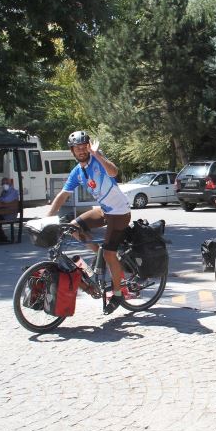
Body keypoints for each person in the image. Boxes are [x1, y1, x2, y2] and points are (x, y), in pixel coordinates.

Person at [47, 131, 131, 313]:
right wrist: (47, 217)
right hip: (105, 211)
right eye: (78, 148)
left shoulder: (97, 162)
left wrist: (97, 154)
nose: (81, 150)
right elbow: (62, 196)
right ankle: (97, 251)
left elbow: (114, 172)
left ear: (88, 147)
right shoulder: (77, 172)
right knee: (73, 228)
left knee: (110, 254)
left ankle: (117, 294)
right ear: (72, 151)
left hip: (120, 212)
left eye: (84, 147)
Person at [0, 178, 19, 243]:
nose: (4, 185)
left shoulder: (13, 192)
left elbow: (5, 200)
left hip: (9, 214)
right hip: (2, 213)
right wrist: (0, 200)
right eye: (3, 183)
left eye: (6, 183)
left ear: (10, 184)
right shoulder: (3, 192)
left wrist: (0, 199)